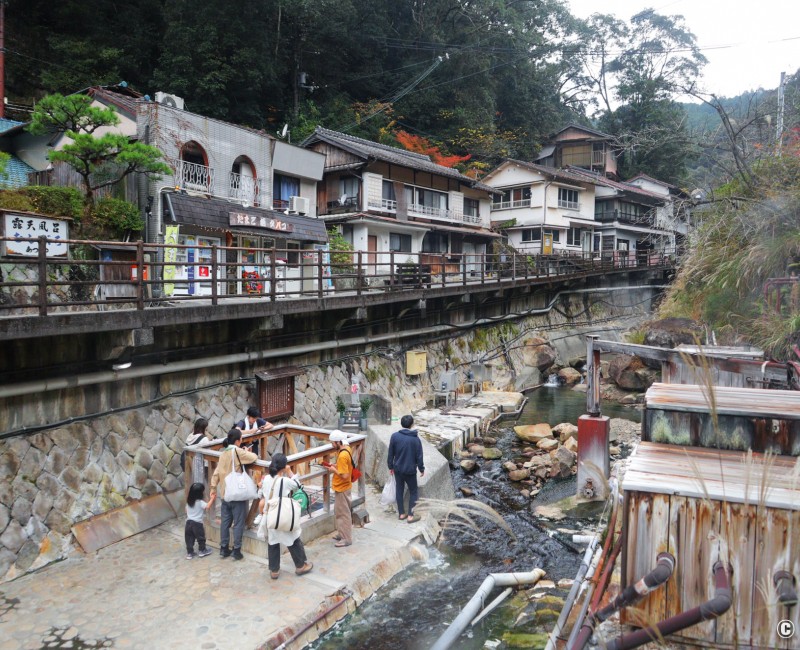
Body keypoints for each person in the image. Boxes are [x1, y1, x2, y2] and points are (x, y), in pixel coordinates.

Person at [260, 453, 313, 579]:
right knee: (293, 538)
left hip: (270, 515)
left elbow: (262, 493)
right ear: (283, 467)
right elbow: (299, 486)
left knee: (272, 541)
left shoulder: (266, 479)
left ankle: (274, 571)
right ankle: (300, 566)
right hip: (283, 514)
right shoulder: (285, 481)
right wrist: (290, 472)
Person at [209, 429, 258, 560]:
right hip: (236, 493)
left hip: (225, 493)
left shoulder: (222, 454)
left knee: (225, 522)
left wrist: (213, 488)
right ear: (237, 441)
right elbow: (254, 457)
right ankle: (236, 550)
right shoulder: (237, 451)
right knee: (238, 522)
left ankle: (223, 548)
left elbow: (216, 473)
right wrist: (246, 452)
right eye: (241, 439)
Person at [388, 414, 425, 523]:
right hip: (410, 470)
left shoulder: (394, 436)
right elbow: (419, 456)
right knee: (413, 491)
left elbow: (391, 454)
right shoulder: (415, 439)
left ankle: (401, 514)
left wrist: (390, 466)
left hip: (398, 469)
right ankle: (410, 516)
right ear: (411, 424)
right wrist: (421, 469)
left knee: (399, 490)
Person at [322, 430, 353, 547]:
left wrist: (334, 470)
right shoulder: (346, 449)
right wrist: (336, 466)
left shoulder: (342, 455)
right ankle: (342, 533)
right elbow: (345, 467)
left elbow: (344, 475)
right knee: (340, 511)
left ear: (338, 442)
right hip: (344, 487)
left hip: (342, 487)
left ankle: (346, 538)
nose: (332, 445)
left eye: (333, 443)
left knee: (343, 513)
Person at [185, 482, 213, 559]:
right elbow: (207, 506)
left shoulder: (189, 502)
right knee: (201, 538)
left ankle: (190, 553)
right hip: (197, 524)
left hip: (188, 522)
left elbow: (186, 511)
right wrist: (212, 498)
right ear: (199, 494)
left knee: (189, 539)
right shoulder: (200, 502)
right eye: (202, 491)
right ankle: (202, 551)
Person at [185, 417, 215, 486]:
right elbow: (209, 453)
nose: (207, 431)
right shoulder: (204, 439)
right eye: (206, 429)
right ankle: (208, 493)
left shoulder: (190, 436)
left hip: (190, 464)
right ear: (203, 429)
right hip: (201, 466)